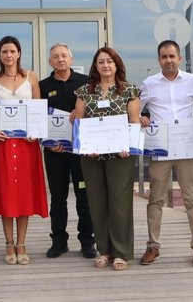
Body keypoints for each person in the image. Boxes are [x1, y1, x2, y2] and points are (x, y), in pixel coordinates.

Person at [138, 40, 193, 267]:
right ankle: (153, 246)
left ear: (179, 58)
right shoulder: (149, 84)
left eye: (171, 56)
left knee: (191, 197)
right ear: (159, 59)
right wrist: (140, 118)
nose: (168, 60)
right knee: (155, 198)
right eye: (163, 56)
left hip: (187, 145)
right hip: (160, 146)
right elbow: (135, 110)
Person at [72, 47, 141, 271]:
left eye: (109, 61)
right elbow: (78, 122)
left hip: (120, 155)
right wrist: (85, 146)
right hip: (92, 156)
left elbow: (134, 121)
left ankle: (121, 252)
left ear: (116, 64)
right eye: (100, 62)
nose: (105, 65)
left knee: (120, 203)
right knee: (97, 201)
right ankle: (104, 250)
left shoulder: (129, 90)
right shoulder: (84, 91)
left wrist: (128, 145)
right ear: (95, 66)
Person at [0, 36, 48, 265]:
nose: (9, 55)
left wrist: (36, 130)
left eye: (12, 51)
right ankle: (8, 243)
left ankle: (22, 242)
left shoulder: (30, 77)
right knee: (6, 194)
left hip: (26, 145)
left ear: (19, 53)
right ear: (0, 55)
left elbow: (37, 109)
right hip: (3, 145)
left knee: (23, 194)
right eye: (4, 51)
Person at [38, 43, 95, 259]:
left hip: (81, 152)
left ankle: (88, 241)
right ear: (50, 62)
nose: (60, 59)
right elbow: (37, 118)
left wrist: (80, 112)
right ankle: (59, 241)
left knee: (84, 196)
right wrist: (48, 142)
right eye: (55, 56)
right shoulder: (43, 86)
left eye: (64, 56)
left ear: (71, 59)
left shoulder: (85, 83)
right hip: (55, 152)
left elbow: (94, 111)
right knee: (58, 197)